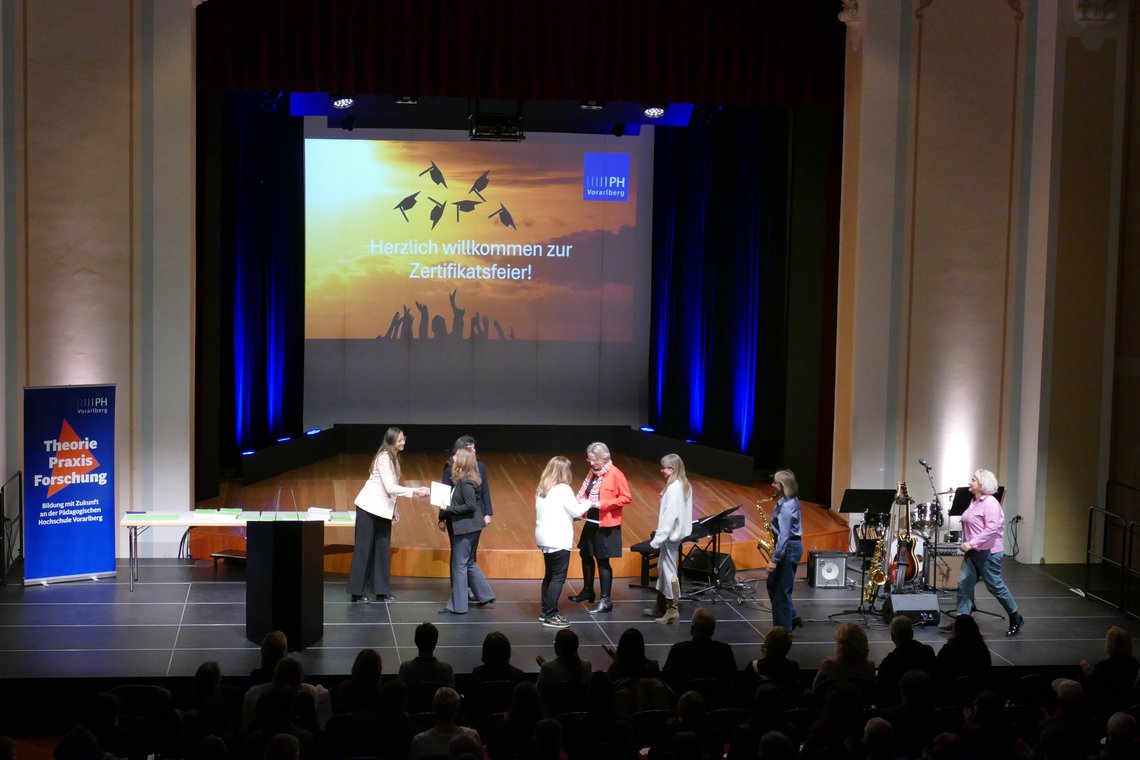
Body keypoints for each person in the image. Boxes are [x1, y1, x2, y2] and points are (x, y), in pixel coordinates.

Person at [348, 427, 430, 603]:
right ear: (392, 441)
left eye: (404, 438)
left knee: (382, 549)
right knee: (364, 549)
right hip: (368, 507)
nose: (403, 442)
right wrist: (415, 491)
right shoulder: (384, 457)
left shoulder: (394, 457)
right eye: (400, 439)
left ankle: (381, 590)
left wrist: (394, 510)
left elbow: (392, 487)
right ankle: (356, 592)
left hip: (382, 509)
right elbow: (390, 487)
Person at [939, 468, 1023, 636]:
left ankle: (1015, 616)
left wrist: (971, 543)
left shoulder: (991, 503)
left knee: (995, 586)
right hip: (973, 552)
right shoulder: (974, 501)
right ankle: (962, 622)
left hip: (988, 552)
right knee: (964, 584)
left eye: (973, 480)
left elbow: (991, 528)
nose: (969, 482)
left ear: (983, 484)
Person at [569, 441, 632, 614]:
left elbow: (626, 497)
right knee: (585, 553)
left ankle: (606, 601)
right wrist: (575, 507)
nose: (591, 463)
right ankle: (588, 590)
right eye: (589, 459)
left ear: (604, 458)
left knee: (602, 561)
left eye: (594, 460)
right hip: (592, 519)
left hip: (606, 522)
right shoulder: (593, 472)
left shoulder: (615, 474)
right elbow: (583, 493)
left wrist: (602, 504)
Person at [438, 447, 496, 614]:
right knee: (469, 562)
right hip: (472, 526)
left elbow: (470, 506)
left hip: (466, 528)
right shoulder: (467, 478)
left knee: (460, 566)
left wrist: (448, 509)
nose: (453, 458)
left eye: (456, 456)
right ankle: (485, 595)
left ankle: (458, 606)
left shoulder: (466, 482)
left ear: (462, 460)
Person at [535, 455, 590, 628]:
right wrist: (588, 502)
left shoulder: (542, 488)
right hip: (558, 538)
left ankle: (545, 612)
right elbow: (577, 511)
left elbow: (557, 510)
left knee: (550, 575)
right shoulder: (563, 489)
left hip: (544, 537)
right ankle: (551, 615)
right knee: (558, 577)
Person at [645, 453, 694, 625]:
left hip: (670, 536)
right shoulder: (684, 485)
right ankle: (660, 604)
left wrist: (658, 539)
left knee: (669, 571)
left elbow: (670, 515)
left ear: (672, 469)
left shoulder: (674, 488)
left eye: (665, 468)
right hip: (676, 535)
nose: (662, 471)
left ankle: (672, 610)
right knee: (662, 567)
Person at [661, 607, 738, 691]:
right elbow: (733, 679)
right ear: (712, 630)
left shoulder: (678, 650)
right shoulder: (724, 651)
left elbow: (666, 679)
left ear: (692, 629)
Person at [765, 469, 804, 631]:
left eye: (775, 483)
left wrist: (774, 560)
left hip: (789, 548)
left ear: (783, 486)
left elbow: (784, 537)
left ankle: (783, 630)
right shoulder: (789, 500)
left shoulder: (786, 507)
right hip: (790, 547)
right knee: (773, 584)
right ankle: (792, 617)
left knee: (781, 590)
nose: (772, 485)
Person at [874, 615, 937, 706]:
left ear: (892, 636)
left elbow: (880, 695)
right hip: (927, 705)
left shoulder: (888, 663)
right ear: (912, 634)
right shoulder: (928, 652)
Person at [813, 621, 876, 704]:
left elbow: (815, 689)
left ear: (841, 644)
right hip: (859, 709)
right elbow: (870, 694)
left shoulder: (829, 664)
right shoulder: (870, 667)